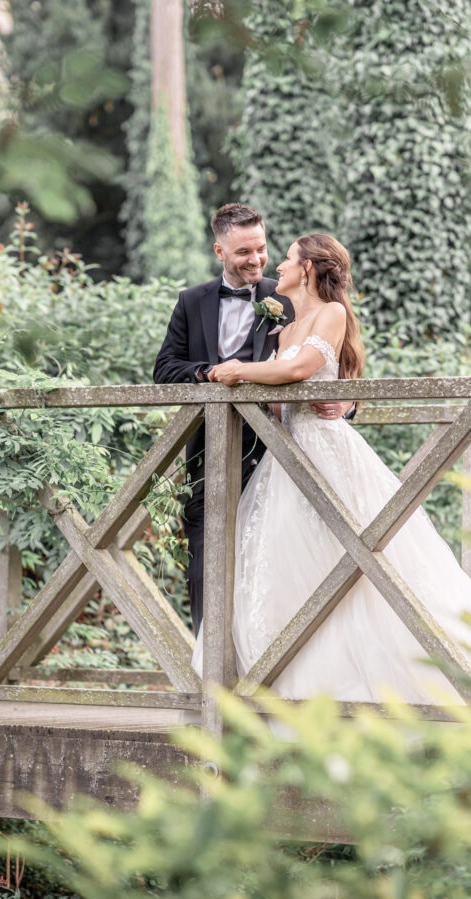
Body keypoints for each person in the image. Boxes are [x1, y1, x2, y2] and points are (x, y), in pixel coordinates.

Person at [192, 233, 471, 704]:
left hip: (326, 453)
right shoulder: (282, 323)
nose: (280, 265)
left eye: (290, 258)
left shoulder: (332, 313)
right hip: (284, 458)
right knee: (286, 563)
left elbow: (302, 370)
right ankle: (284, 683)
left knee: (360, 560)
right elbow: (286, 388)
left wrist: (237, 371)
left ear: (309, 268)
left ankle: (415, 678)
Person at [153, 204, 353, 633]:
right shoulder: (192, 302)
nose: (258, 260)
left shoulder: (290, 294)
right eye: (244, 251)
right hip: (208, 455)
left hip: (278, 455)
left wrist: (346, 405)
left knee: (279, 567)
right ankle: (210, 674)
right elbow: (164, 368)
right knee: (205, 563)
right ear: (219, 250)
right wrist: (208, 372)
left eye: (262, 248)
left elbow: (337, 363)